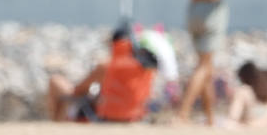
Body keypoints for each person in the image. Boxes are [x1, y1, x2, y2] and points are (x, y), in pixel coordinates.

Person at [45, 22, 173, 123]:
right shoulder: (145, 68)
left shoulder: (106, 65)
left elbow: (78, 90)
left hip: (109, 115)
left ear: (113, 44)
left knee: (56, 82)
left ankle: (56, 123)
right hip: (136, 115)